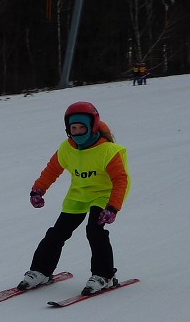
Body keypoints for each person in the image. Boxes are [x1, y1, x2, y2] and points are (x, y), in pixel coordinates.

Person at [19, 101, 131, 295]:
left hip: (103, 195)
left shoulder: (109, 151)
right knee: (57, 233)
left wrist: (112, 207)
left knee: (94, 232)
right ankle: (41, 271)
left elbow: (121, 180)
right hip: (78, 195)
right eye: (74, 128)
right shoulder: (67, 148)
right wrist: (38, 190)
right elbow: (52, 170)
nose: (78, 132)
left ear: (93, 126)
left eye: (82, 127)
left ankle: (104, 275)